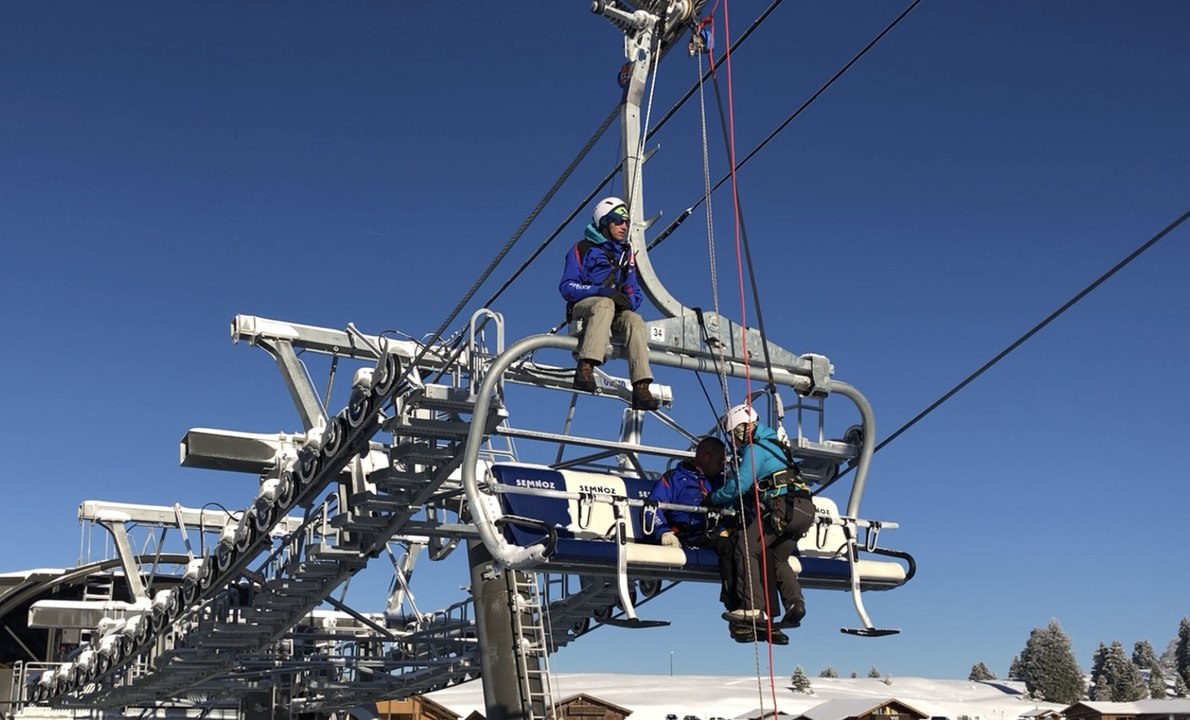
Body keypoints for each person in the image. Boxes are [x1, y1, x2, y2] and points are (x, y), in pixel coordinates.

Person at [707, 403, 817, 644]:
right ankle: (794, 603)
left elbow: (740, 484)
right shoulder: (777, 447)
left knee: (745, 547)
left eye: (733, 435)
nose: (733, 442)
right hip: (804, 510)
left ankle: (752, 608)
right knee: (776, 560)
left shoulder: (754, 449)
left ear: (742, 430)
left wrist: (714, 498)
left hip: (782, 508)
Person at [559, 196, 660, 411]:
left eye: (626, 223)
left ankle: (641, 385)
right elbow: (567, 287)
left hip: (613, 311)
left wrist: (627, 302)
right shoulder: (582, 249)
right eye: (618, 221)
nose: (624, 227)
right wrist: (601, 291)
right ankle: (586, 365)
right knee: (604, 304)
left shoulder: (625, 255)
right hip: (586, 308)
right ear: (604, 222)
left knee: (634, 320)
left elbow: (634, 290)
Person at [645, 437, 736, 616]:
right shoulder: (675, 478)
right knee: (728, 548)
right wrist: (664, 532)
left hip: (715, 532)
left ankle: (749, 605)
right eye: (720, 461)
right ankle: (733, 603)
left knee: (744, 547)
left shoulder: (721, 482)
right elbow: (652, 507)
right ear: (705, 456)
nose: (722, 466)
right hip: (687, 535)